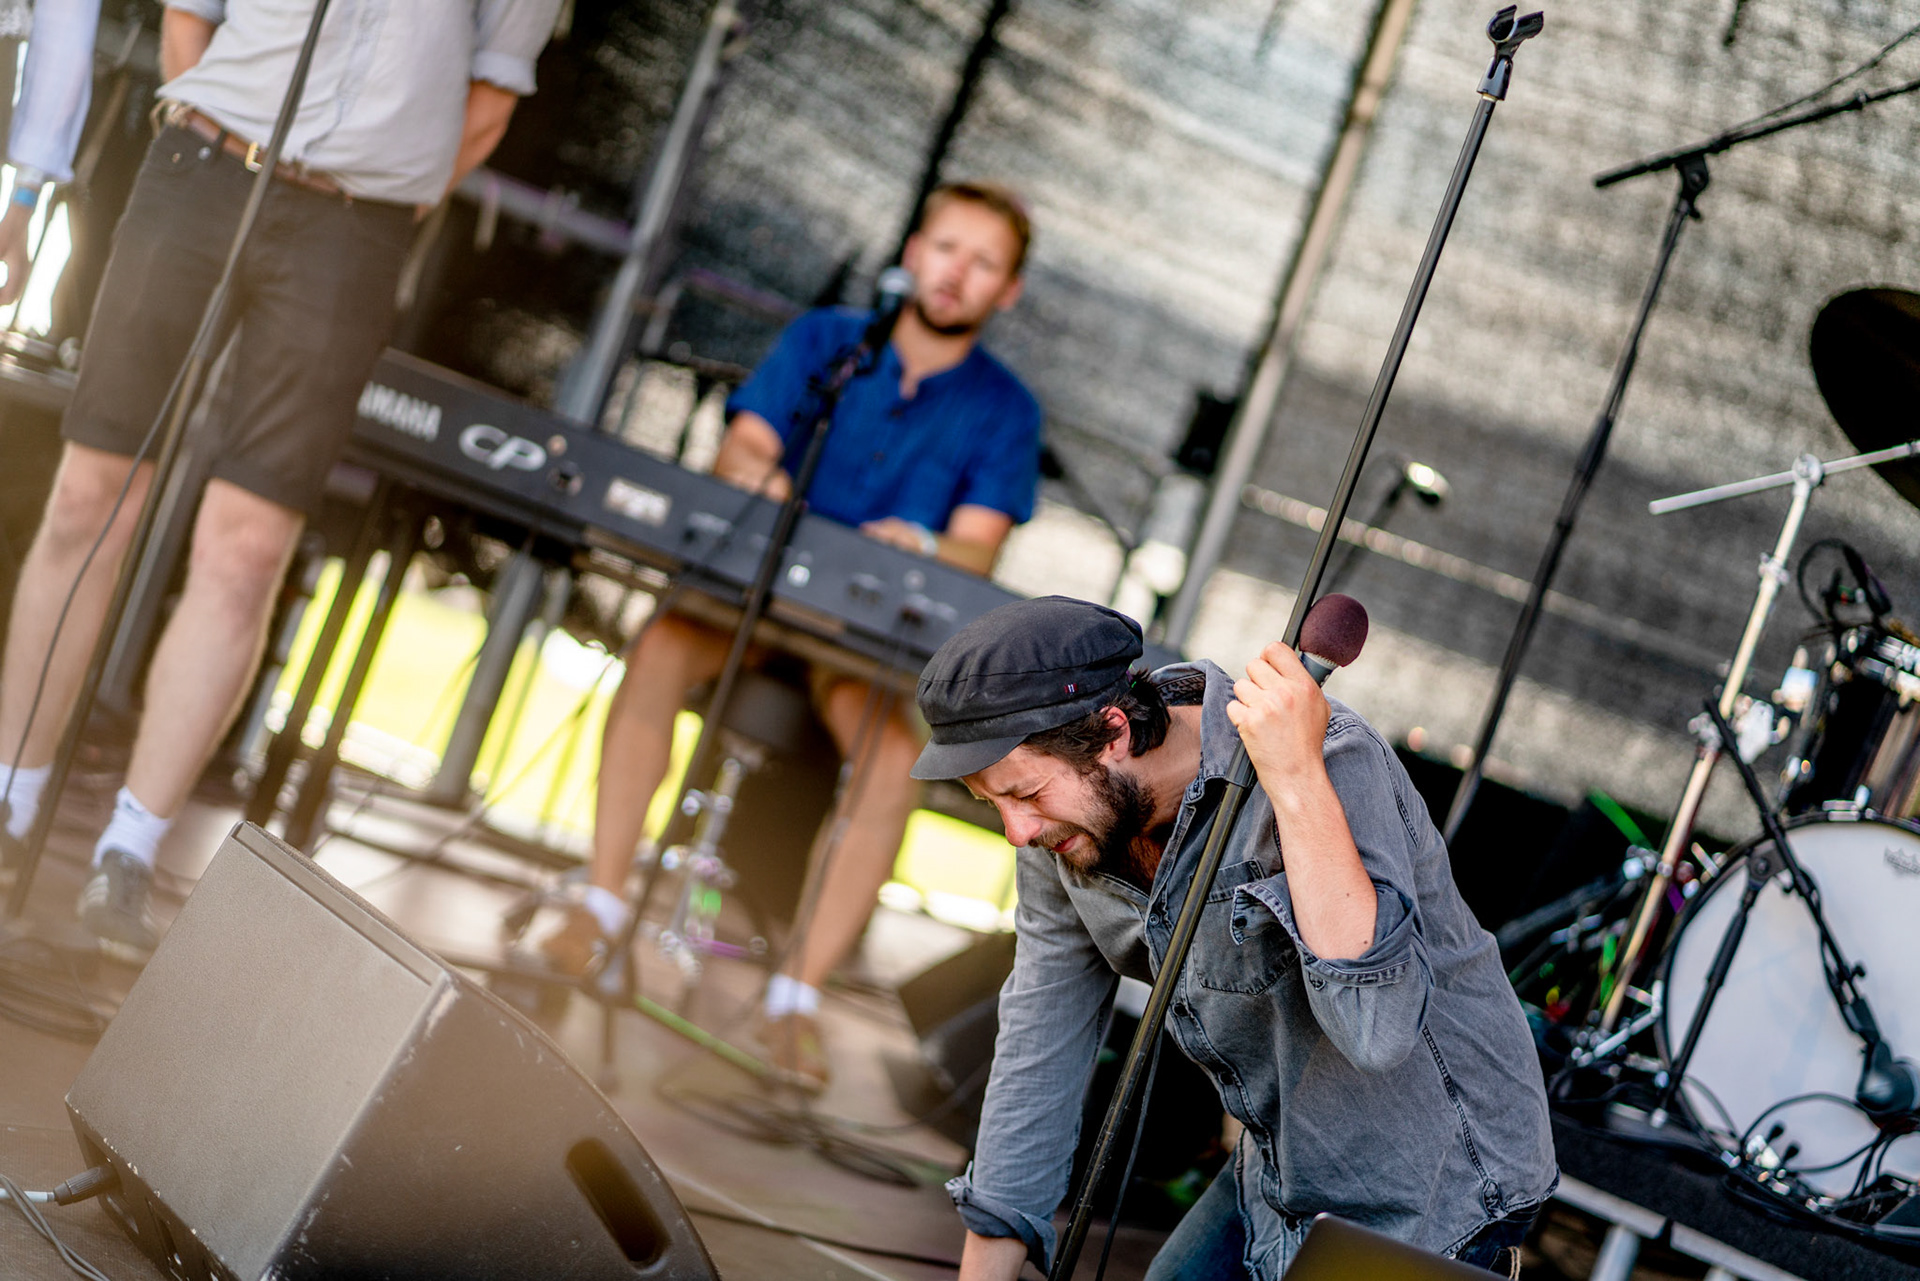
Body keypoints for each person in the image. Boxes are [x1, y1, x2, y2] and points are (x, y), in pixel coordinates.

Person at [0, 0, 562, 949]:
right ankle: (12, 801)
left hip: (352, 226)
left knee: (250, 547)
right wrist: (225, 142)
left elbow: (489, 103)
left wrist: (371, 191)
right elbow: (189, 21)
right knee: (91, 496)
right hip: (203, 169)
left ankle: (129, 850)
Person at [548, 181, 1042, 1091]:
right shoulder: (827, 341)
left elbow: (978, 546)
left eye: (983, 263)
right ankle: (601, 905)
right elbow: (741, 447)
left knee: (893, 759)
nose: (955, 273)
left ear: (1006, 290)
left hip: (859, 638)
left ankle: (795, 997)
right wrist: (759, 477)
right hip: (748, 593)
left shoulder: (1007, 410)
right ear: (914, 251)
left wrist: (922, 543)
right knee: (656, 651)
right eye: (945, 248)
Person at [908, 596, 1558, 1280]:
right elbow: (1042, 1032)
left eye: (1027, 794)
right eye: (994, 802)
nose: (1016, 831)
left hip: (1440, 1185)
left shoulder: (1333, 756)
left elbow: (1375, 1028)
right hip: (1280, 1172)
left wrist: (1295, 778)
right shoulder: (1065, 829)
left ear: (1114, 732)